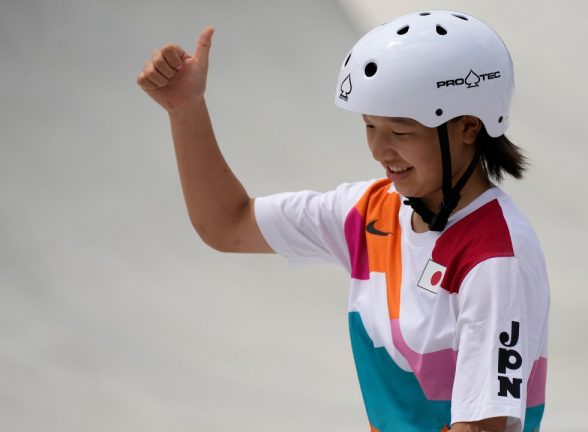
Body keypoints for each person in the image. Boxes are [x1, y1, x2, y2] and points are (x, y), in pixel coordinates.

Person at [137, 10, 549, 432]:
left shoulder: (496, 259)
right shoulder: (369, 210)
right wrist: (185, 109)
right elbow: (228, 223)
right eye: (370, 126)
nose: (379, 149)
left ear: (468, 127)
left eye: (400, 132)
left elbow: (482, 427)